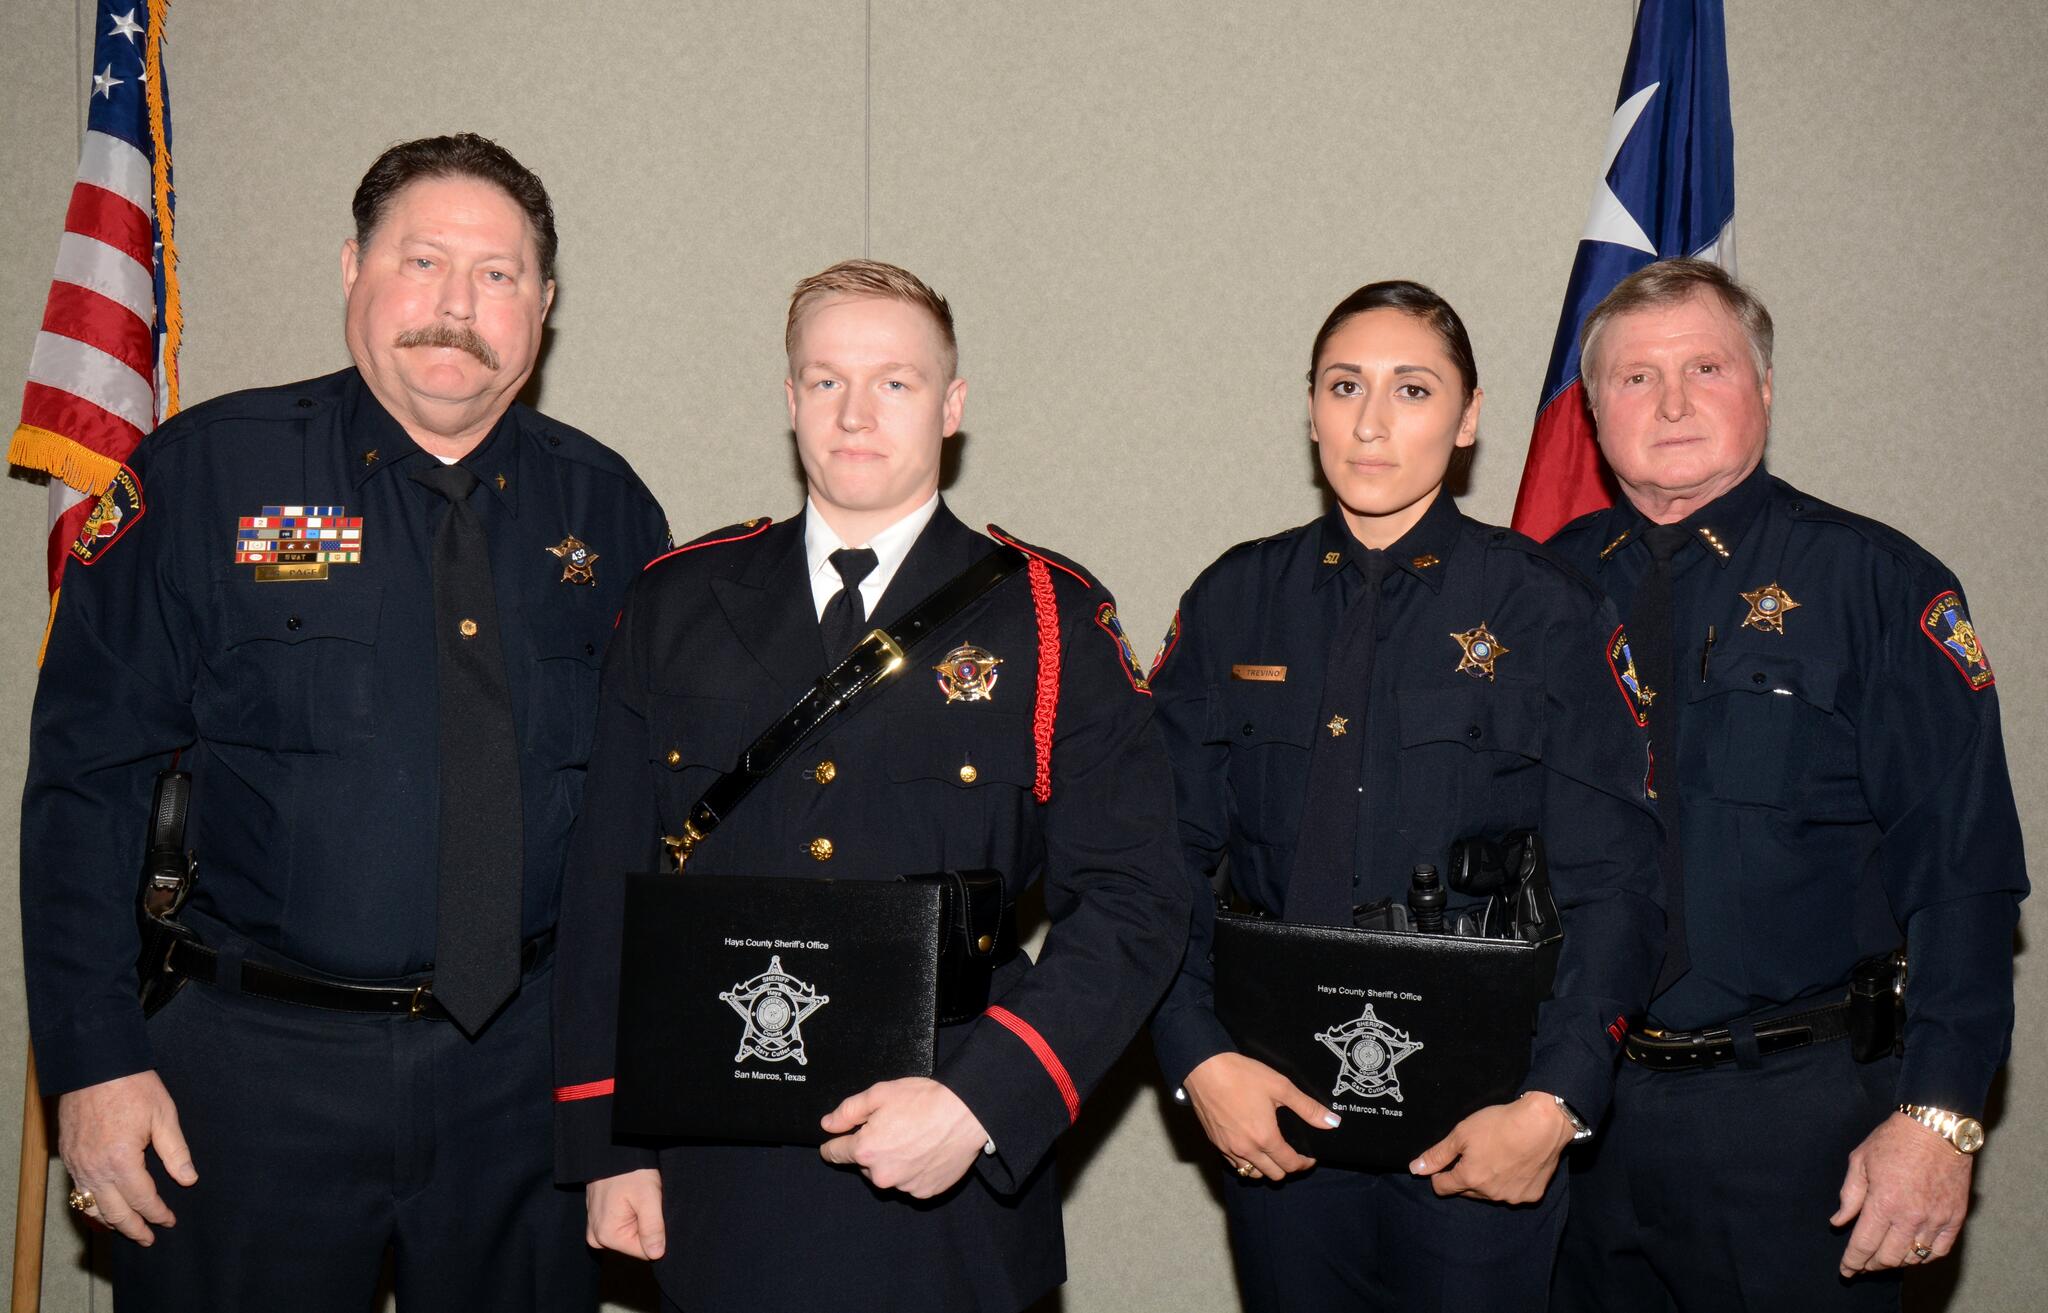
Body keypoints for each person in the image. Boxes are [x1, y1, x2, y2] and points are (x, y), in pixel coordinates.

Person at [20, 133, 670, 1311]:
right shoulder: (207, 476)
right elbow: (85, 782)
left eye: (497, 274)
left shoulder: (611, 510)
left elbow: (647, 817)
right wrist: (93, 1058)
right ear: (351, 270)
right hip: (252, 1077)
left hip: (522, 1083)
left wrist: (624, 1089)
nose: (454, 307)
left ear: (545, 305)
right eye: (421, 262)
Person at [550, 258, 1187, 1312]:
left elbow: (1135, 895)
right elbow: (604, 882)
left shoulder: (1047, 616)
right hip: (720, 1171)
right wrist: (609, 1138)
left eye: (893, 381)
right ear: (788, 395)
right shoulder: (676, 601)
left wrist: (986, 1101)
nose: (855, 412)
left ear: (951, 405)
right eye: (825, 378)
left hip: (944, 1176)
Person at [1145, 279, 1663, 1312]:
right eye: (1344, 386)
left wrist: (1555, 1103)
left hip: (1481, 1115)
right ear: (1309, 407)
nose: (1371, 421)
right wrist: (1196, 1057)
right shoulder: (1234, 600)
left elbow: (1621, 883)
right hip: (1275, 1103)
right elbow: (1149, 861)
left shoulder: (1547, 609)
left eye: (1412, 389)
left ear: (1468, 417)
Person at [1547, 258, 2029, 1311]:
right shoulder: (1537, 592)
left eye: (1704, 367)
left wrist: (1939, 1117)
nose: (1670, 402)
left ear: (1761, 389)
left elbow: (1961, 873)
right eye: (1633, 378)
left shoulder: (1876, 584)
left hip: (1796, 1126)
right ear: (1589, 414)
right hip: (1574, 1123)